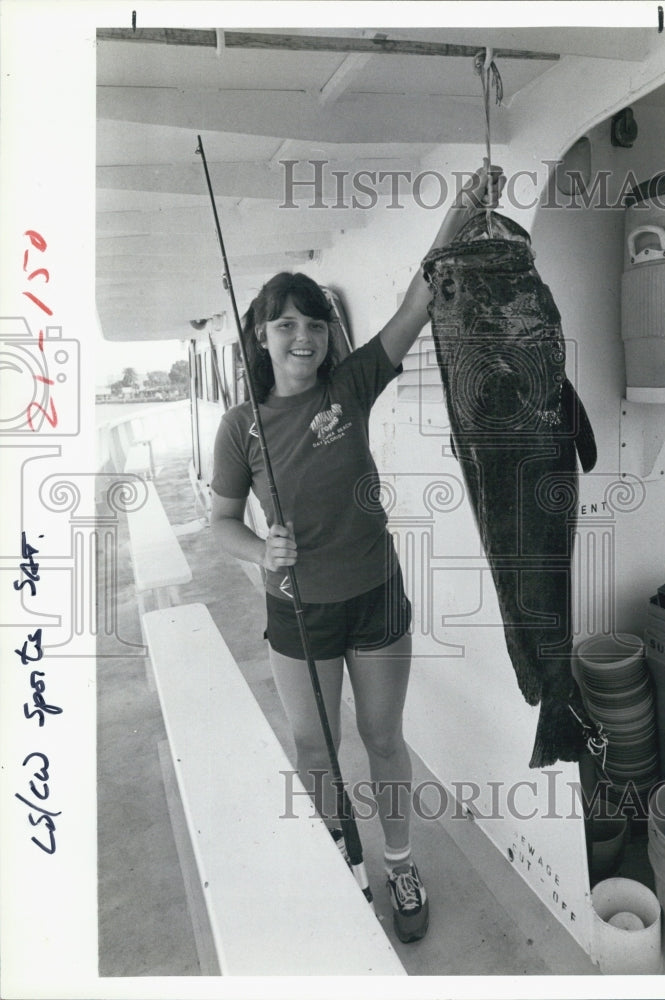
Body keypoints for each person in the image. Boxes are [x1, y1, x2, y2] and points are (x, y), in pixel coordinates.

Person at [210, 162, 504, 943]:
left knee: (381, 738)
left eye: (312, 323)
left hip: (375, 594)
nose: (301, 336)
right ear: (262, 338)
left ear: (325, 333)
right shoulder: (239, 427)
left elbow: (418, 297)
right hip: (295, 609)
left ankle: (400, 860)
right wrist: (257, 548)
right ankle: (338, 852)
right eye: (284, 326)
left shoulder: (351, 385)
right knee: (314, 744)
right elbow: (219, 523)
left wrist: (466, 210)